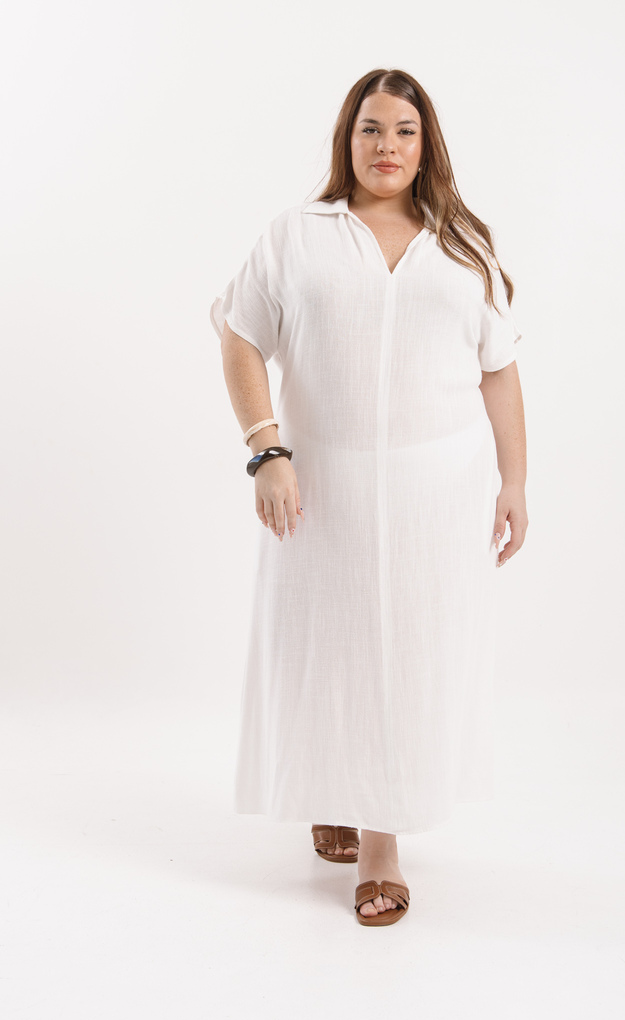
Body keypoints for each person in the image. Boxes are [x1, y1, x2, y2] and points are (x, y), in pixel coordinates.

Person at [209, 68, 528, 927]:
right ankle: (331, 788)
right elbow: (239, 336)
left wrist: (514, 481)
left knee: (409, 659)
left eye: (404, 131)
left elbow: (499, 369)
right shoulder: (297, 236)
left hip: (437, 496)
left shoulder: (463, 246)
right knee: (332, 649)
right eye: (370, 129)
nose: (386, 146)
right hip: (322, 487)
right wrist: (265, 448)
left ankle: (381, 843)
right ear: (346, 140)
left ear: (427, 147)